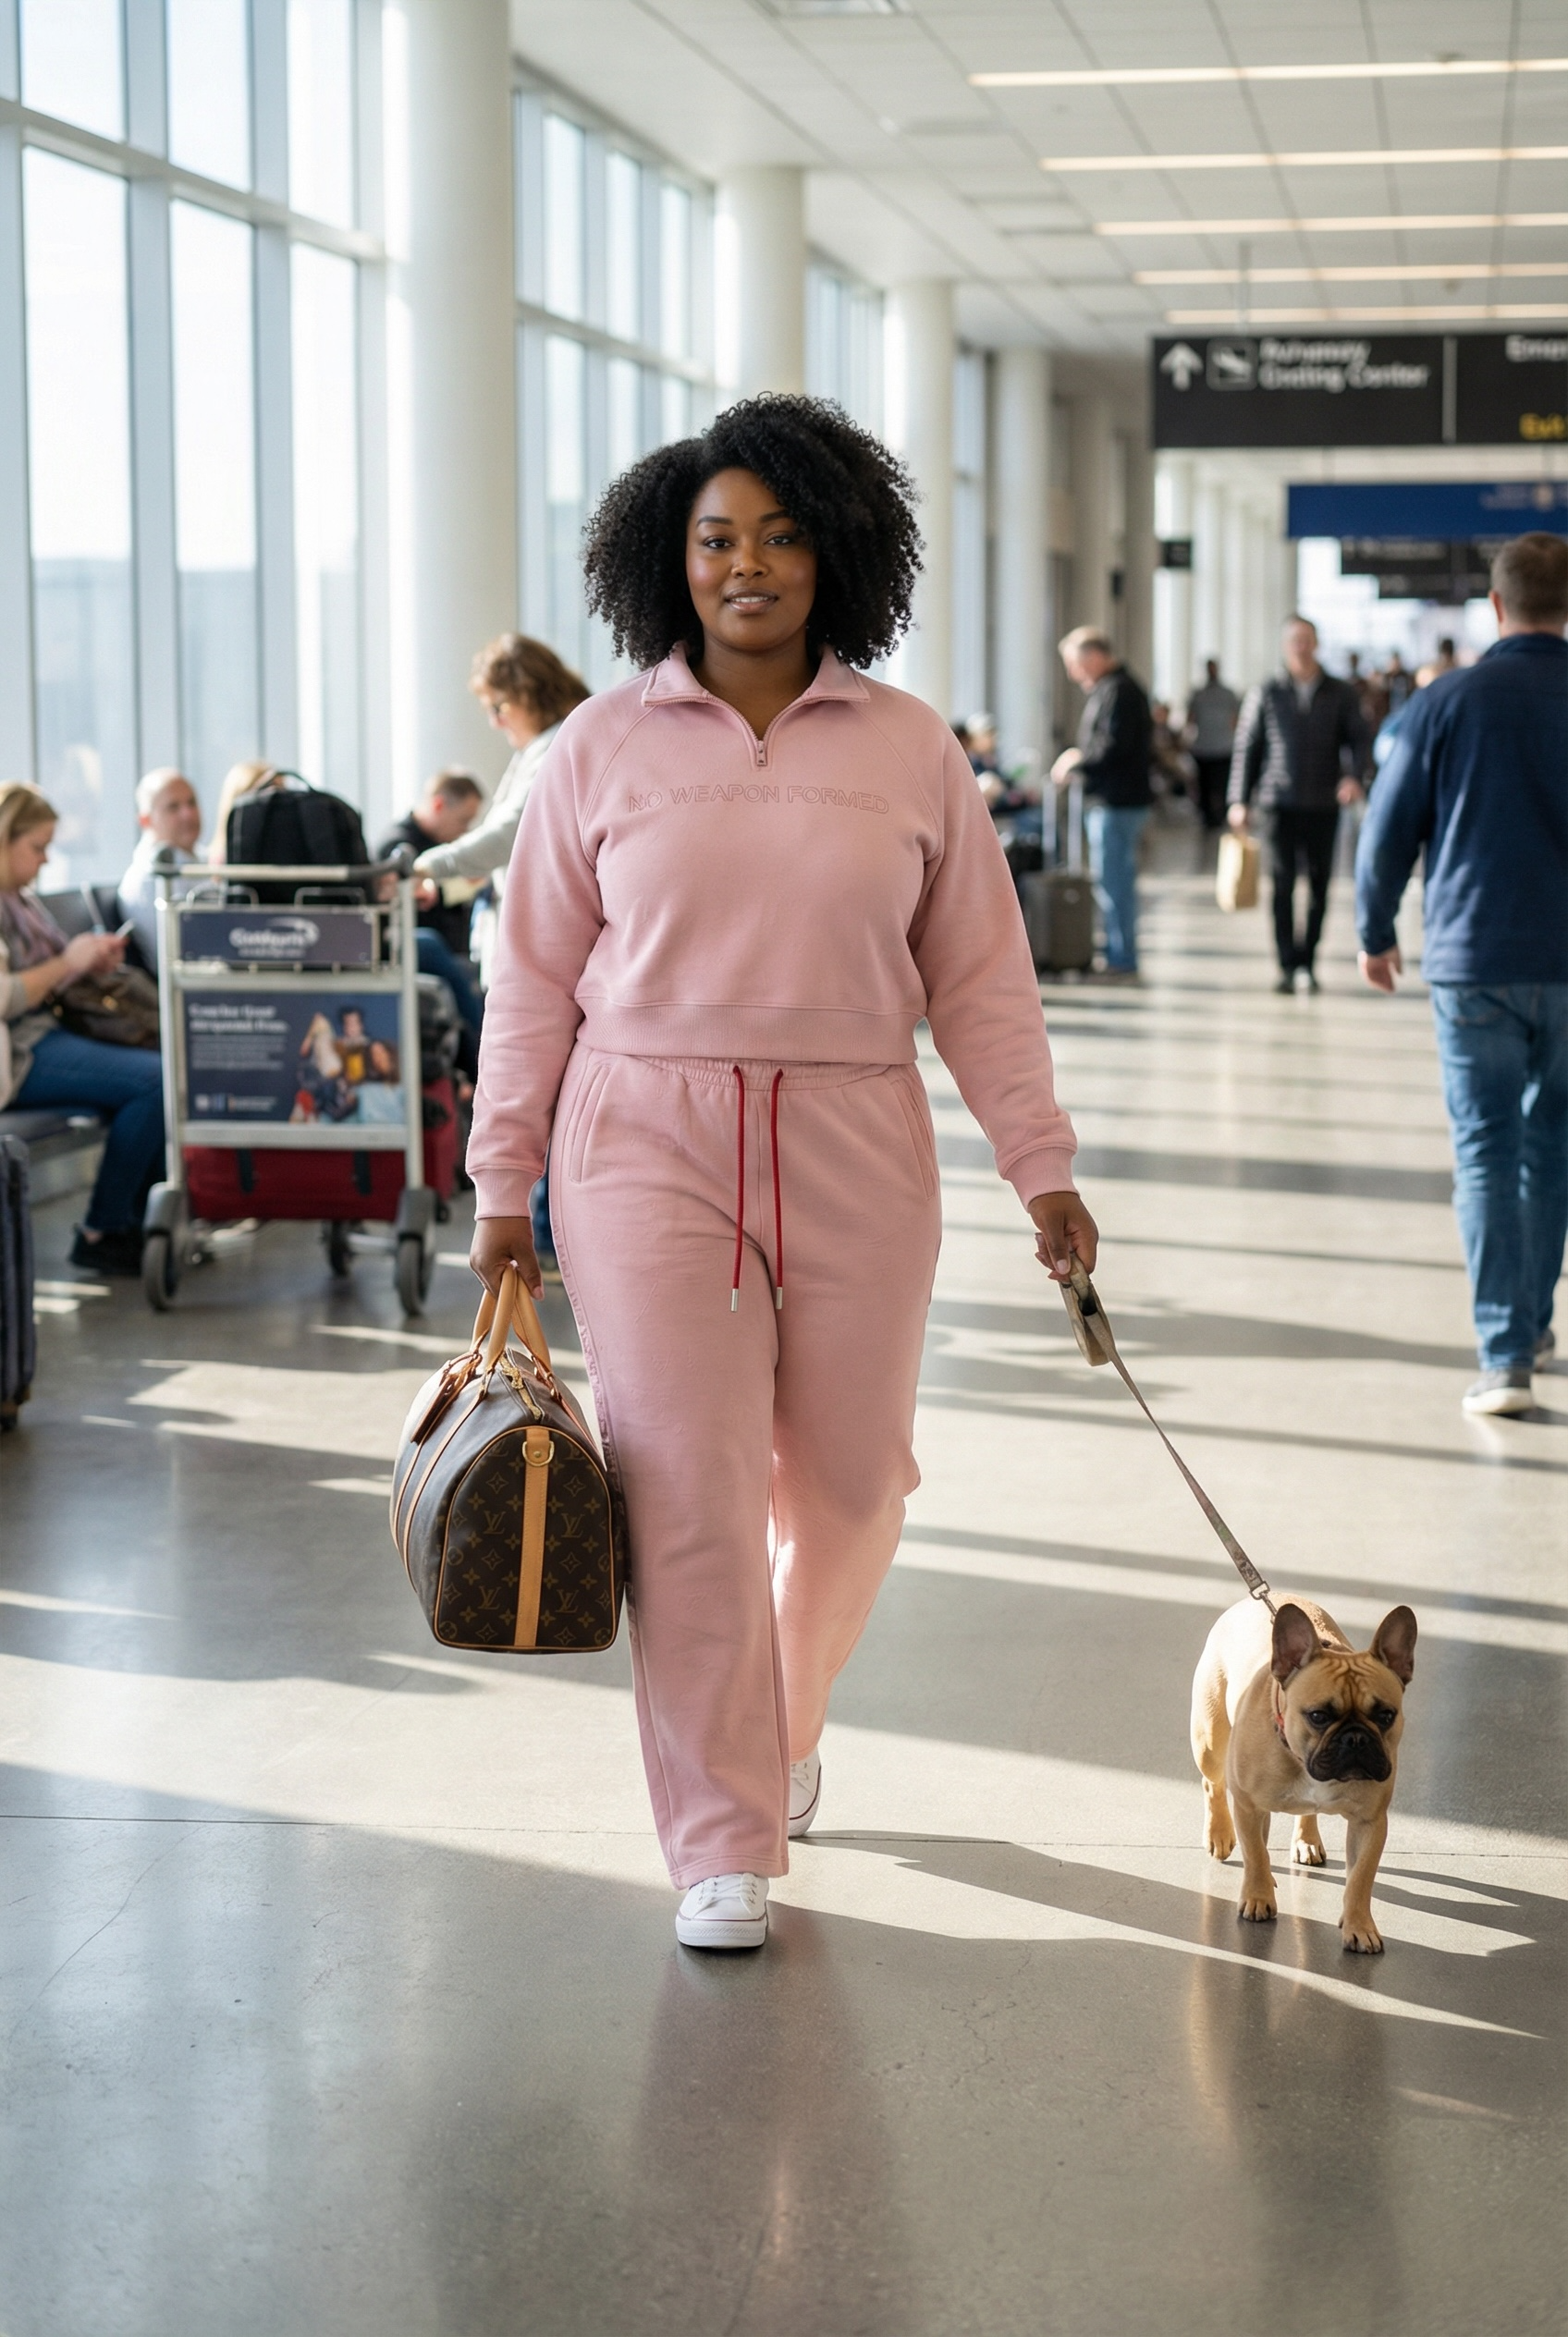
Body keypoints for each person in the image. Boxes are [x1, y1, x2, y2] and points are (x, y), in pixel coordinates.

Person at [466, 394, 1095, 1952]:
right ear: (668, 563)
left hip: (855, 1128)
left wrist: (1041, 1166)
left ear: (836, 553)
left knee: (855, 1488)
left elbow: (984, 981)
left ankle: (780, 1723)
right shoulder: (600, 747)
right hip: (642, 1138)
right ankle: (722, 1836)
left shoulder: (911, 748)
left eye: (780, 534)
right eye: (715, 539)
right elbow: (530, 980)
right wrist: (501, 1179)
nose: (746, 564)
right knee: (685, 1493)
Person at [1355, 532, 1568, 1419]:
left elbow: (1386, 829)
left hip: (1474, 958)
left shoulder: (1445, 702)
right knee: (1551, 1148)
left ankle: (1505, 1355)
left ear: (1495, 605)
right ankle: (1533, 1324)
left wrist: (1375, 930)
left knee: (1486, 1150)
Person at [0, 783, 165, 1273]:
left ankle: (141, 1221)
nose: (45, 860)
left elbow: (52, 974)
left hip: (50, 1032)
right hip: (21, 1051)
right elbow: (9, 997)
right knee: (153, 1081)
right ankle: (105, 1229)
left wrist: (88, 960)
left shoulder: (20, 902)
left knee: (159, 1070)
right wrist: (68, 962)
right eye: (37, 847)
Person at [411, 635, 590, 991]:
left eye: (499, 706)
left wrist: (429, 866)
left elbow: (512, 834)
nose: (495, 721)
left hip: (544, 946)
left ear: (530, 692)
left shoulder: (557, 745)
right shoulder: (541, 747)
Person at [1228, 617, 1370, 993]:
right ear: (1285, 645)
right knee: (1283, 884)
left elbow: (1360, 738)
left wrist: (1354, 777)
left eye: (1307, 640)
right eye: (1294, 641)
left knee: (1321, 885)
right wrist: (1239, 799)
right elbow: (1248, 746)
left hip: (1324, 802)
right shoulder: (1267, 691)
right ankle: (1287, 964)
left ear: (1316, 644)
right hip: (1278, 803)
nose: (1301, 647)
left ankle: (1309, 960)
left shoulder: (1340, 692)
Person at [1051, 626, 1154, 979]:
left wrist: (1077, 761)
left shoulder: (1118, 691)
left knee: (1114, 884)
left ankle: (1121, 957)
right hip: (1118, 800)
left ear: (1094, 657)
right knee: (1114, 881)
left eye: (1075, 664)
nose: (1072, 674)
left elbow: (1112, 747)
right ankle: (1117, 951)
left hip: (1117, 803)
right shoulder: (1116, 689)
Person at [375, 769, 486, 1058]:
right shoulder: (397, 845)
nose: (465, 831)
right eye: (463, 821)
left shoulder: (441, 845)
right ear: (439, 805)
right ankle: (480, 1060)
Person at [116, 767, 202, 966]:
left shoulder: (202, 860)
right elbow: (178, 959)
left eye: (192, 803)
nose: (188, 814)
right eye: (173, 807)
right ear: (146, 820)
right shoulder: (147, 881)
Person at [1183, 658, 1240, 832]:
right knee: (1208, 786)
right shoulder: (1199, 694)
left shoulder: (1227, 694)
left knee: (1219, 785)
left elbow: (1235, 720)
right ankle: (1210, 817)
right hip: (1206, 747)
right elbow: (1191, 719)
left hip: (1221, 747)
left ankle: (1218, 815)